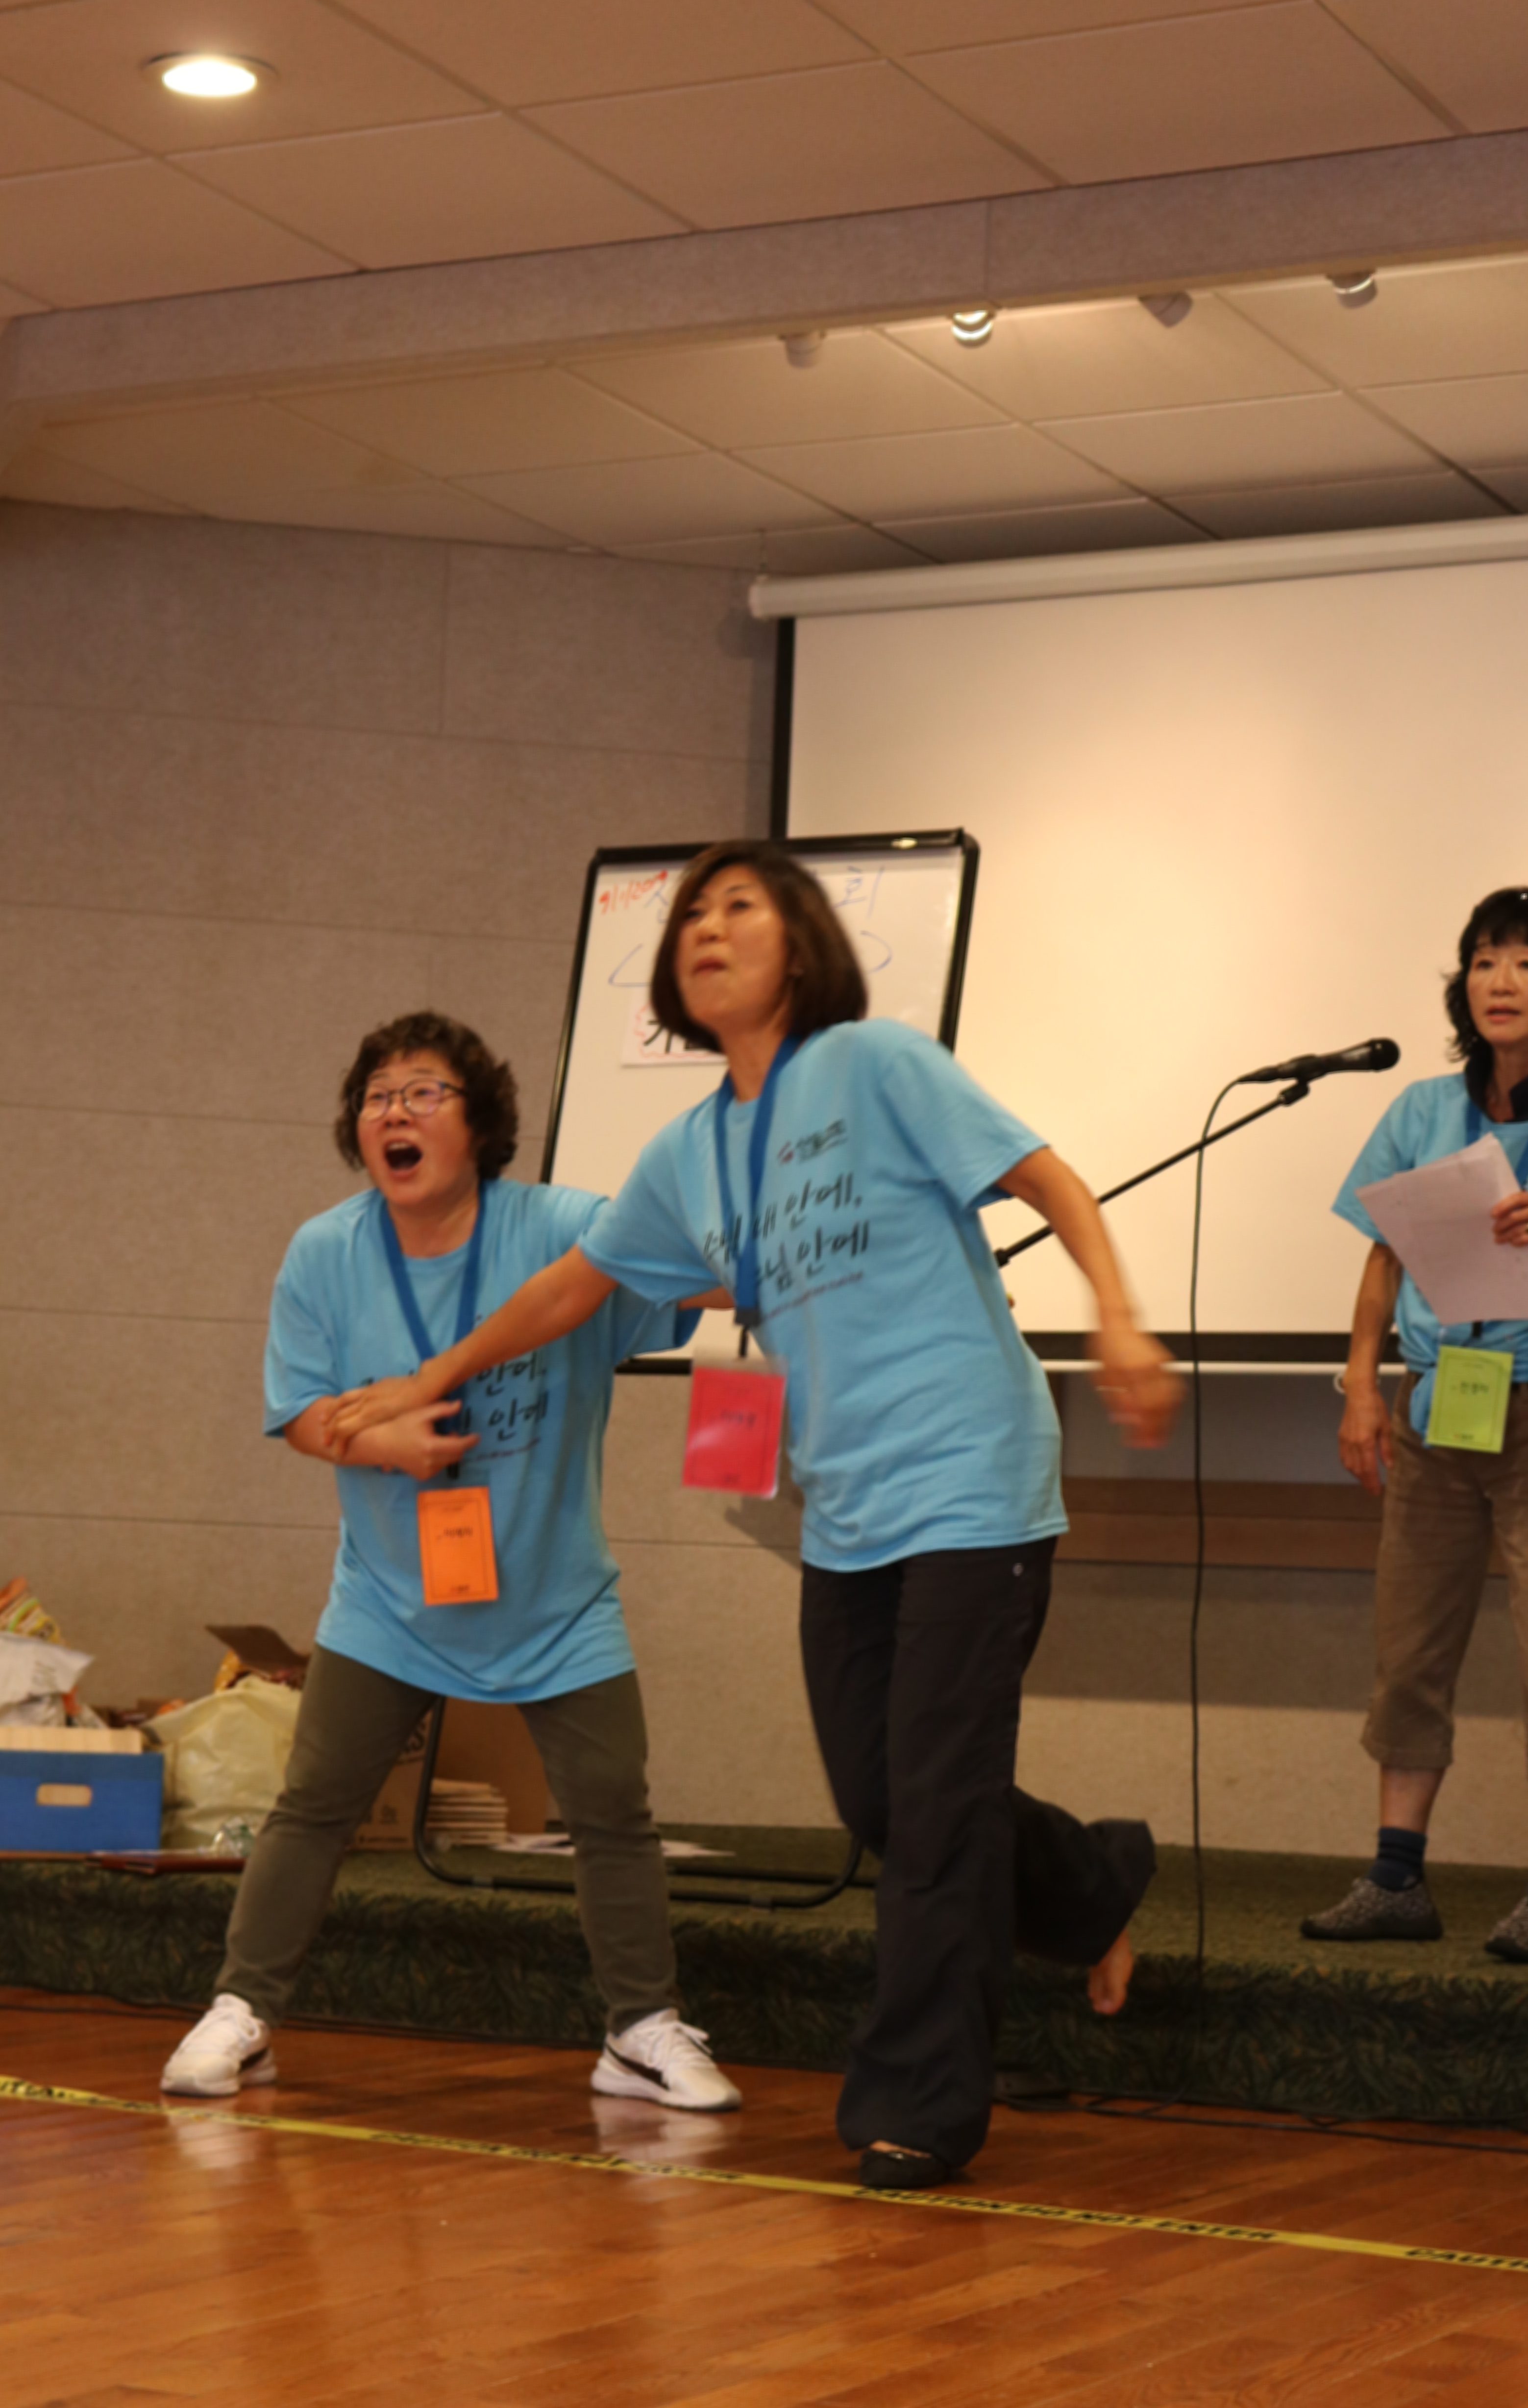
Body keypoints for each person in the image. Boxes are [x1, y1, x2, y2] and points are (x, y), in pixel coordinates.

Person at [328, 848, 1179, 2186]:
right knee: (885, 1797)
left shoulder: (876, 1064)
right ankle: (1087, 1886)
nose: (708, 928)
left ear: (803, 944)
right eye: (692, 915)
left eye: (742, 906)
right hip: (848, 1511)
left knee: (934, 1807)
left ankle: (916, 2106)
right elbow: (570, 1288)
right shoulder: (690, 1151)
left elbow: (1045, 1179)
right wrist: (431, 1373)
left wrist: (1118, 1315)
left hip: (972, 1478)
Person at [161, 1011, 739, 2111]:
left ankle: (639, 2030)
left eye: (424, 1091)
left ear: (481, 1124)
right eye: (378, 1096)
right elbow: (300, 1413)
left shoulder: (563, 1226)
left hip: (558, 1599)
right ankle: (242, 2010)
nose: (396, 1111)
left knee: (612, 1809)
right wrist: (384, 1442)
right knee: (316, 1802)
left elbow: (701, 1278)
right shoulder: (325, 1251)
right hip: (389, 1597)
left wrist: (786, 1240)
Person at [1304, 888, 1528, 1965]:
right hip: (1436, 1411)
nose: (1498, 981)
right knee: (1410, 1645)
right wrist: (1361, 1384)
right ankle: (1395, 1876)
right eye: (1482, 961)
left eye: (1526, 961)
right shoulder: (1424, 1109)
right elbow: (1383, 1258)